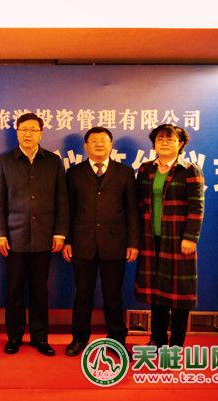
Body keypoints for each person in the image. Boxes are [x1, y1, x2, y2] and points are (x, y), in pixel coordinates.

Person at [0, 112, 68, 356]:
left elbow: (62, 200)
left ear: (41, 133)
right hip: (14, 237)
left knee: (39, 290)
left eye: (33, 130)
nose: (28, 134)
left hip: (45, 236)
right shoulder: (5, 161)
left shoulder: (53, 161)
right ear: (17, 133)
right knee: (14, 289)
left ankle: (40, 337)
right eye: (23, 129)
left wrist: (60, 233)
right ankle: (14, 337)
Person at [61, 127, 139, 356]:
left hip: (115, 244)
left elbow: (132, 210)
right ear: (85, 146)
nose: (98, 144)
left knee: (113, 296)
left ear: (111, 145)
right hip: (82, 243)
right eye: (93, 141)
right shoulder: (74, 173)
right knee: (82, 295)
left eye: (103, 140)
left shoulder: (125, 172)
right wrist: (67, 240)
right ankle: (79, 339)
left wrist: (133, 242)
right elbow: (68, 210)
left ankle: (117, 340)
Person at [135, 124, 204, 348]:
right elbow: (138, 204)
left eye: (170, 139)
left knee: (179, 296)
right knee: (157, 293)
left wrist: (190, 237)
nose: (164, 143)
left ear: (180, 144)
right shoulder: (146, 169)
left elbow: (196, 207)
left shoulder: (189, 170)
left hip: (178, 239)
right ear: (154, 144)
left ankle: (176, 344)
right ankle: (157, 339)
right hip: (151, 239)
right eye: (159, 139)